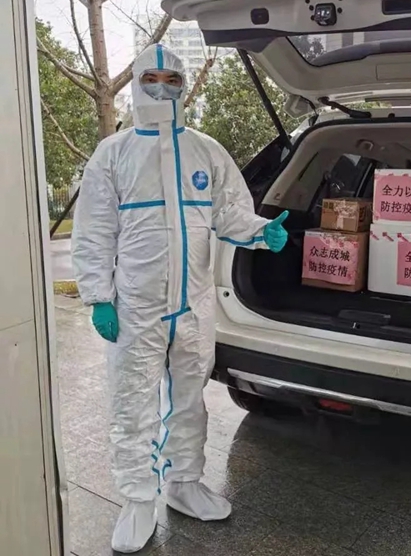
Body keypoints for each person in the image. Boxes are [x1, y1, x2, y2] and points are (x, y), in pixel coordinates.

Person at [72, 44, 289, 553]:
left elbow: (229, 211)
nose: (163, 88)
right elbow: (93, 230)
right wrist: (99, 296)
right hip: (136, 305)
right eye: (152, 78)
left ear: (184, 86)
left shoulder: (205, 150)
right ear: (136, 82)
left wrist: (261, 232)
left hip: (193, 304)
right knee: (133, 402)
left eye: (172, 79)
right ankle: (137, 499)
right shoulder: (114, 153)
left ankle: (184, 483)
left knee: (190, 399)